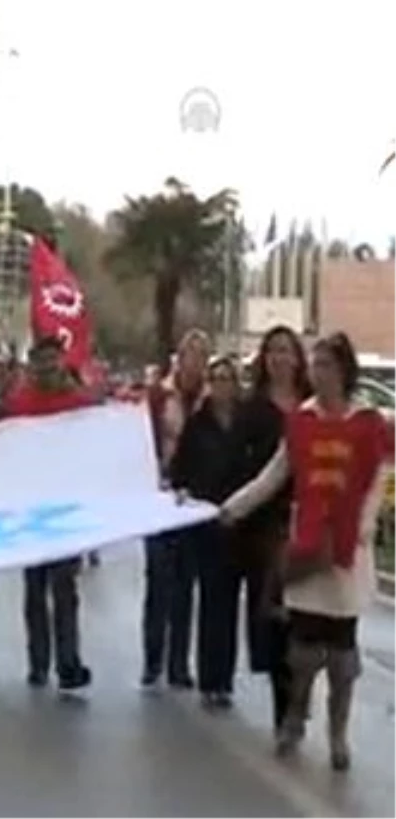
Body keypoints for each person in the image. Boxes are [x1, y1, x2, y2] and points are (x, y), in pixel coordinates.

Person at [221, 333, 385, 771]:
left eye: (327, 365)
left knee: (344, 655)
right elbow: (273, 477)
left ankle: (338, 734)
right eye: (315, 365)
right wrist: (233, 508)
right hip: (309, 545)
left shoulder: (368, 422)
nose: (318, 373)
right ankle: (294, 717)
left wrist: (363, 525)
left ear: (344, 371)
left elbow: (376, 479)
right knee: (304, 648)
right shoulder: (303, 422)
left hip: (348, 551)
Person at [3, 337, 93, 692]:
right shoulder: (20, 405)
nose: (49, 369)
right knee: (36, 589)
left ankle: (68, 662)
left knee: (65, 588)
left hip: (65, 511)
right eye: (42, 362)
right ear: (33, 365)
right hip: (31, 509)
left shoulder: (77, 403)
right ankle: (39, 661)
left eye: (54, 362)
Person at [236, 325, 310, 731]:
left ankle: (298, 695)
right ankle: (285, 706)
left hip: (311, 520)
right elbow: (244, 467)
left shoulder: (313, 406)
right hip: (266, 523)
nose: (280, 358)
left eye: (287, 350)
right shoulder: (253, 410)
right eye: (273, 351)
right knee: (273, 616)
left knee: (306, 619)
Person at [169, 356, 249, 708]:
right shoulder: (198, 423)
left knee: (229, 603)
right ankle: (208, 678)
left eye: (227, 378)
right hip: (206, 523)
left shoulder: (247, 423)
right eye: (215, 378)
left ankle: (224, 679)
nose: (221, 385)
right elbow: (180, 469)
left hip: (240, 521)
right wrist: (184, 490)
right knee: (210, 599)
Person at [142, 329, 209, 690]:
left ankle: (178, 664)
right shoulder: (159, 397)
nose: (195, 362)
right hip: (160, 495)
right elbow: (143, 440)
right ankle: (152, 660)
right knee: (158, 581)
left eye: (202, 355)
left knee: (185, 583)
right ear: (179, 358)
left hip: (194, 500)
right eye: (190, 354)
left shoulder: (211, 400)